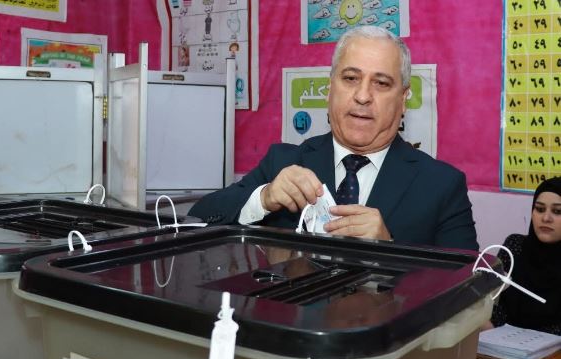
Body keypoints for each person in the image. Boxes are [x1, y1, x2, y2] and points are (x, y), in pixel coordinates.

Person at [189, 26, 478, 250]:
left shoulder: (442, 185)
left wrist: (389, 250)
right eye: (350, 78)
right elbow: (197, 219)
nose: (363, 96)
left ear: (403, 99)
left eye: (381, 83)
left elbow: (468, 289)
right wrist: (263, 198)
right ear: (330, 89)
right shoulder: (283, 162)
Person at [488, 176, 561, 335]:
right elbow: (493, 307)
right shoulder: (514, 246)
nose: (546, 218)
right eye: (539, 209)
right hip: (501, 344)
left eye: (557, 211)